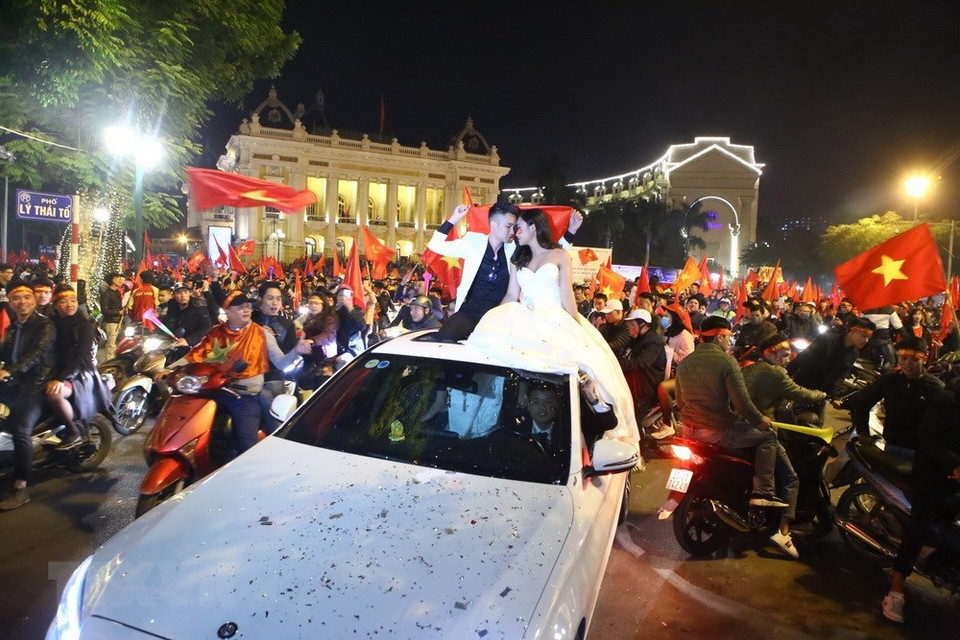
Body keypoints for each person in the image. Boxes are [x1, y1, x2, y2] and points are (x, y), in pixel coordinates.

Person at [464, 208, 639, 446]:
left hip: (556, 319)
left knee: (584, 369)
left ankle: (586, 427)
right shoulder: (517, 258)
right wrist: (493, 318)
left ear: (533, 227)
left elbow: (567, 295)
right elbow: (512, 294)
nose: (516, 232)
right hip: (525, 318)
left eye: (519, 228)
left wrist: (576, 327)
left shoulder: (559, 255)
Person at [156, 291, 308, 452]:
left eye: (248, 306)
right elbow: (194, 356)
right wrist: (169, 369)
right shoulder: (215, 333)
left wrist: (296, 351)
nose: (246, 310)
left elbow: (281, 362)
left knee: (247, 444)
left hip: (244, 396)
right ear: (227, 311)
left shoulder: (261, 333)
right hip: (213, 391)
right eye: (240, 307)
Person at [674, 315, 788, 508]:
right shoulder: (727, 362)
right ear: (719, 336)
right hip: (717, 432)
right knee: (768, 436)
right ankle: (763, 492)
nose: (729, 341)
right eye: (728, 337)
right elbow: (742, 403)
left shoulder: (685, 362)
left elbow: (679, 401)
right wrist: (760, 420)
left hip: (688, 431)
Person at [427, 202, 581, 341]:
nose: (513, 231)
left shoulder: (515, 249)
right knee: (444, 338)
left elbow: (547, 253)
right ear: (494, 224)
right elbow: (435, 245)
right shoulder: (473, 242)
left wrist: (571, 231)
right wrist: (454, 218)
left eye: (515, 227)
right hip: (470, 311)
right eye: (508, 226)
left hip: (502, 314)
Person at [741, 333, 827, 557]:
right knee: (791, 478)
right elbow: (801, 393)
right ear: (773, 355)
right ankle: (783, 531)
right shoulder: (776, 373)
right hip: (761, 430)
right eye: (785, 354)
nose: (789, 359)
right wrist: (823, 395)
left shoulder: (749, 368)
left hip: (735, 429)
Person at [881, 385, 960, 623]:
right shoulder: (947, 398)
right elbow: (928, 435)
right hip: (933, 473)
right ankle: (896, 590)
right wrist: (955, 464)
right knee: (920, 525)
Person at [0, 280, 55, 510]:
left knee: (20, 430)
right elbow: (5, 352)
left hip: (35, 385)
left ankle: (20, 487)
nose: (21, 302)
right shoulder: (14, 326)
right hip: (13, 382)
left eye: (26, 297)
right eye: (16, 298)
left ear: (33, 300)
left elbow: (37, 354)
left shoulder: (44, 325)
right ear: (10, 302)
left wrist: (9, 371)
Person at [44, 284, 116, 449]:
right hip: (57, 370)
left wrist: (61, 379)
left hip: (79, 373)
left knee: (55, 395)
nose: (69, 304)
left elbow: (81, 356)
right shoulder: (52, 323)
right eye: (63, 301)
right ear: (56, 305)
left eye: (73, 300)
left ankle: (73, 432)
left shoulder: (84, 325)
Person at [851, 336, 943, 461]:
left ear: (924, 359)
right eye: (904, 358)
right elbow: (863, 402)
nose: (908, 364)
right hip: (891, 446)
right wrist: (863, 431)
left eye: (915, 359)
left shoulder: (935, 387)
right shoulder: (889, 380)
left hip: (920, 453)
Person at [253, 281, 302, 434]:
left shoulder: (287, 325)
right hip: (248, 375)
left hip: (273, 378)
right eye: (270, 298)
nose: (275, 303)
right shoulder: (250, 319)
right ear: (260, 299)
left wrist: (271, 340)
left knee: (264, 395)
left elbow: (287, 357)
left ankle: (277, 434)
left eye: (278, 299)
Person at [788, 316, 876, 399]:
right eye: (864, 336)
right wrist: (787, 375)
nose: (866, 340)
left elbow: (840, 376)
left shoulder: (854, 353)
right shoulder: (827, 340)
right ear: (852, 331)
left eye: (868, 338)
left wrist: (835, 397)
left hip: (822, 393)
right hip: (803, 385)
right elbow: (803, 357)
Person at [618, 308, 668, 421]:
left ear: (642, 324)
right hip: (633, 380)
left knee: (632, 419)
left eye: (632, 324)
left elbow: (641, 363)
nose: (629, 328)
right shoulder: (637, 338)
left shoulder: (653, 342)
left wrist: (618, 364)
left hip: (646, 386)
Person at [164, 282, 212, 363]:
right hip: (174, 344)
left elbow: (206, 327)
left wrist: (188, 340)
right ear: (174, 295)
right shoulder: (172, 305)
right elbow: (168, 321)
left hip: (193, 347)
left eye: (186, 292)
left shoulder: (199, 306)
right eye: (179, 293)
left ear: (190, 293)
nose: (183, 296)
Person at [862, 304, 903, 372]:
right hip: (884, 339)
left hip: (869, 339)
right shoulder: (889, 309)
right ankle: (884, 375)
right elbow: (898, 326)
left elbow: (861, 323)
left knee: (871, 362)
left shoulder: (865, 309)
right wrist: (909, 338)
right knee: (890, 361)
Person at [334, 286, 367, 356]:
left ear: (351, 297)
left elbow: (361, 326)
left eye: (345, 295)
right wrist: (336, 308)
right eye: (340, 295)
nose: (343, 297)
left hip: (352, 345)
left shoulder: (357, 309)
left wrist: (350, 308)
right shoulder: (333, 310)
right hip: (336, 346)